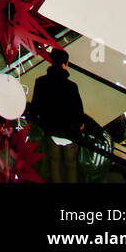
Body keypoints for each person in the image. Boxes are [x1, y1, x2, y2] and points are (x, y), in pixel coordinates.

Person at [29, 49, 85, 182]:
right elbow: (78, 111)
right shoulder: (71, 86)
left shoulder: (40, 82)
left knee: (54, 163)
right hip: (70, 134)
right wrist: (81, 126)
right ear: (65, 64)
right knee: (71, 166)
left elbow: (34, 109)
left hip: (51, 131)